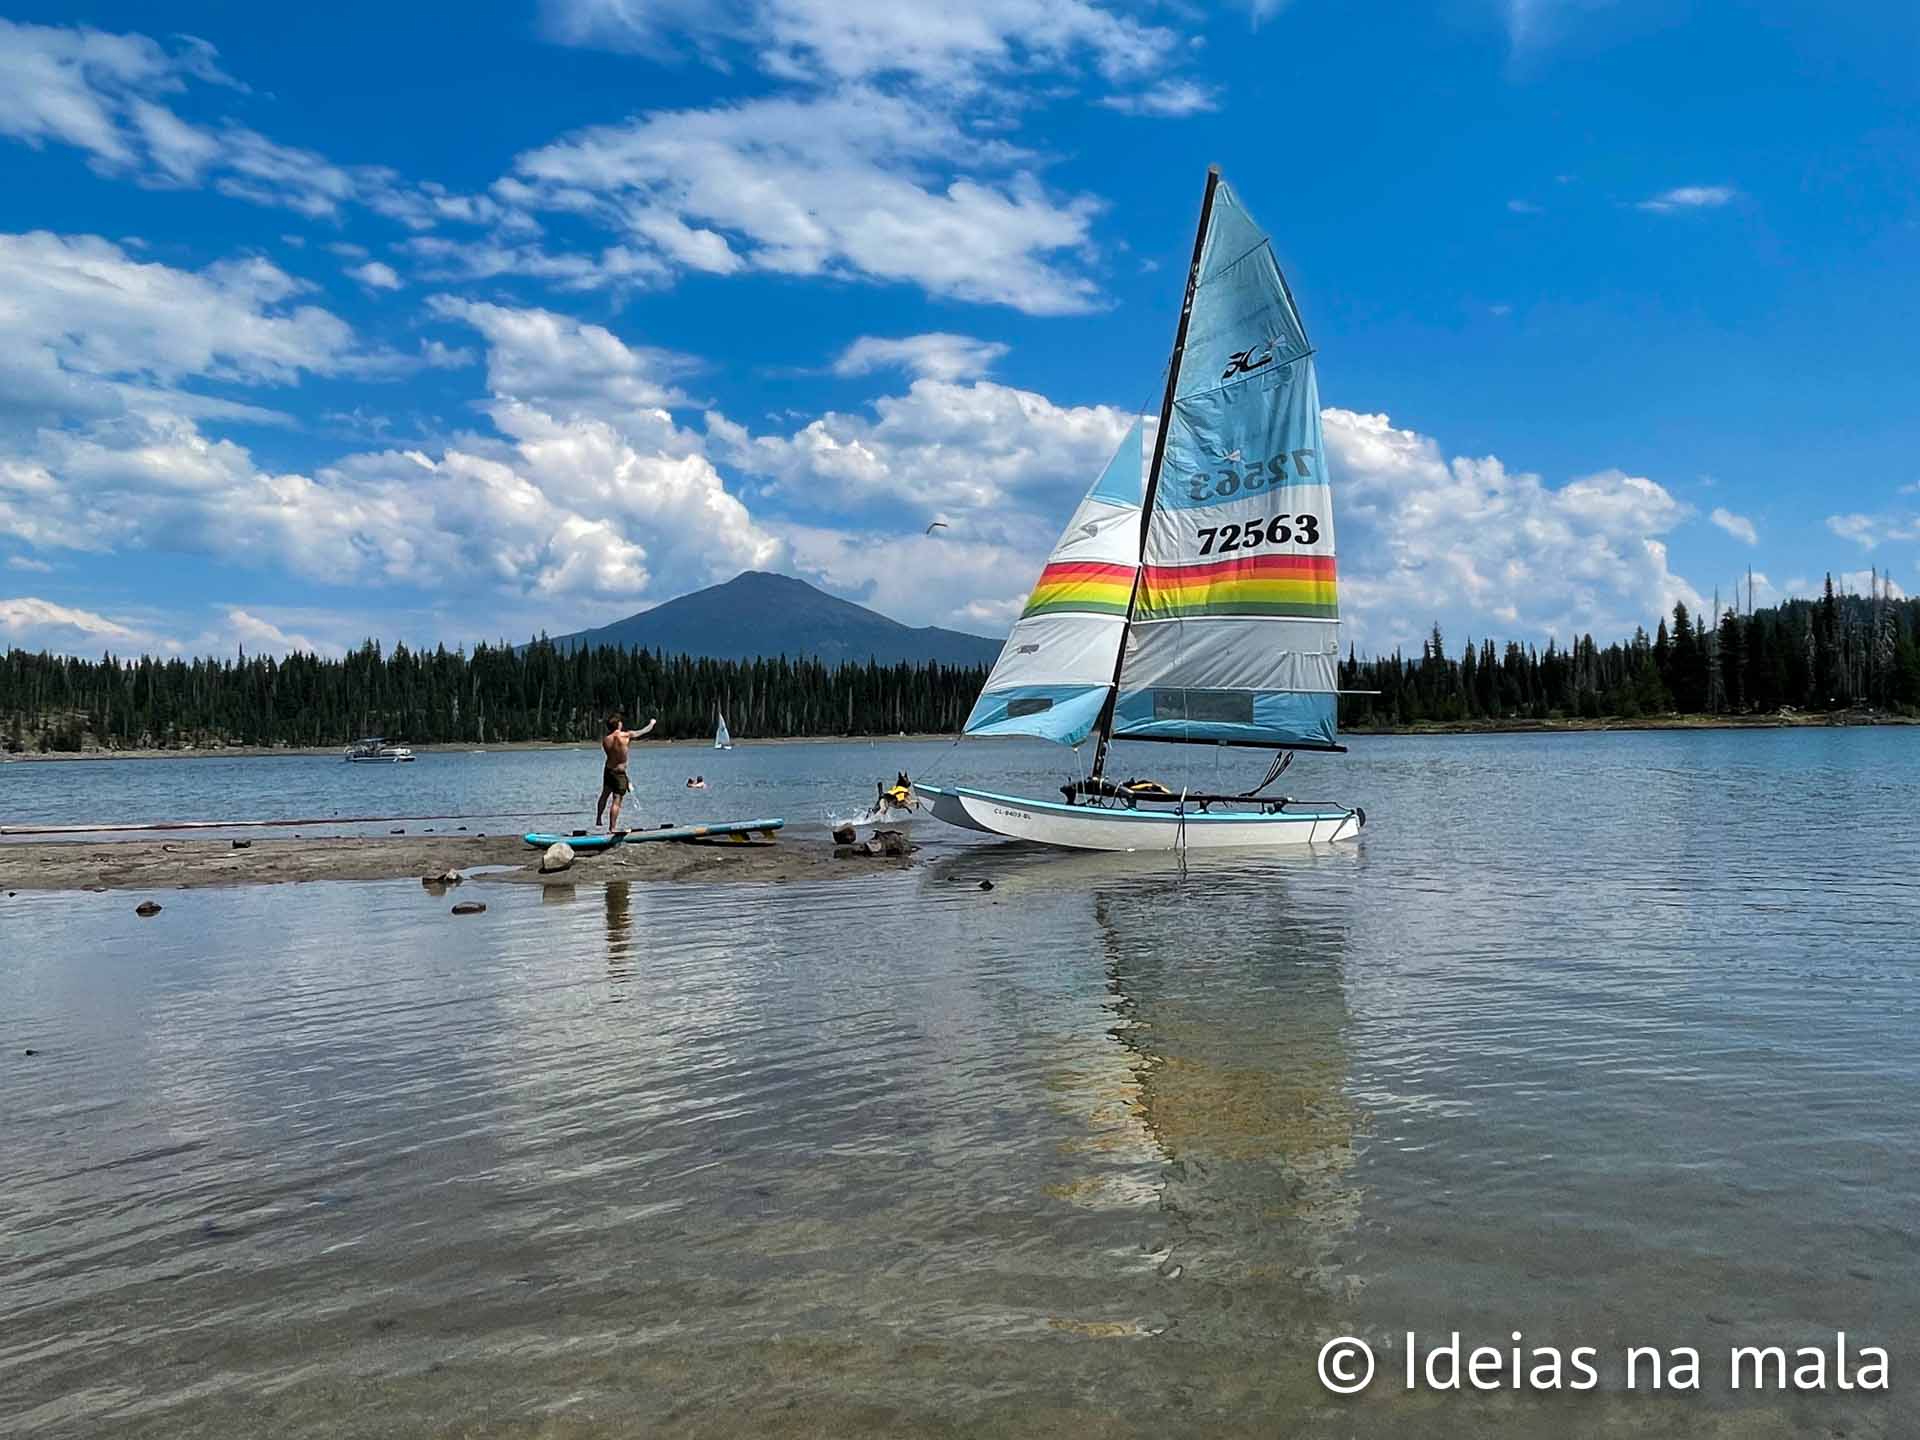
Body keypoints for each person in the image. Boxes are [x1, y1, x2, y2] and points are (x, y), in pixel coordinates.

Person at [596, 713, 655, 832]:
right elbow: (643, 731)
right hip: (619, 772)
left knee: (604, 794)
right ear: (618, 724)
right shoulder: (626, 736)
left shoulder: (606, 740)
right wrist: (651, 723)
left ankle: (598, 818)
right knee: (617, 799)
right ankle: (612, 828)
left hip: (608, 770)